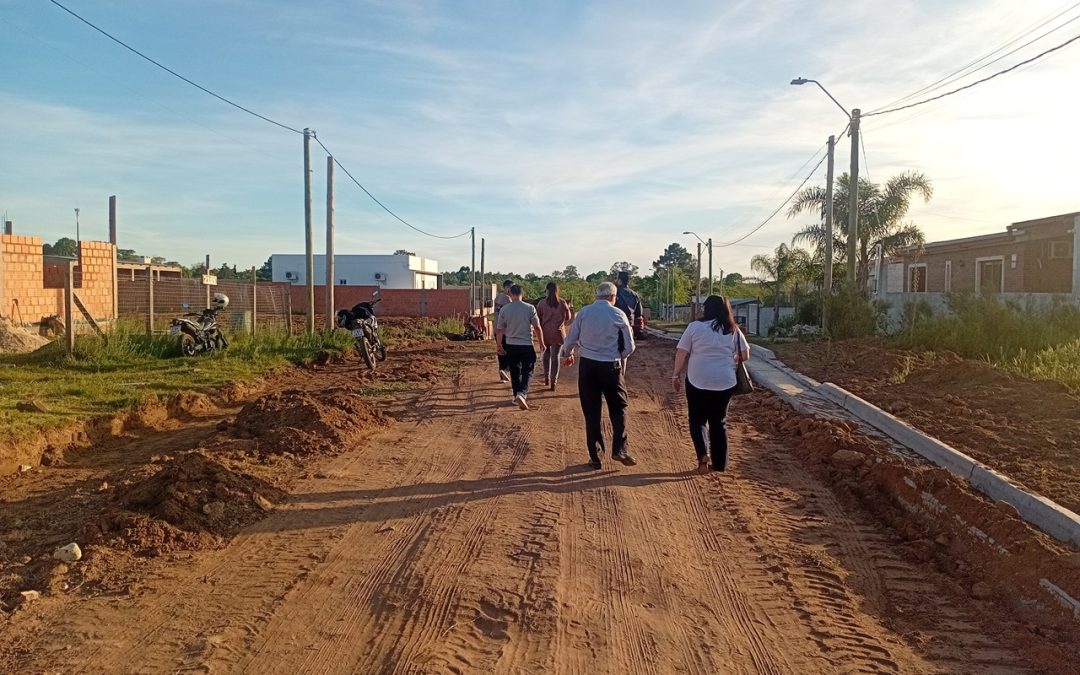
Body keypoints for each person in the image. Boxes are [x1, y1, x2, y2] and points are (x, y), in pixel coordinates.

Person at [561, 282, 636, 469]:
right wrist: (619, 356)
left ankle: (595, 456)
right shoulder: (619, 314)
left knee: (592, 412)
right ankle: (620, 449)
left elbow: (571, 339)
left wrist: (567, 353)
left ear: (596, 296)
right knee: (619, 408)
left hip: (587, 366)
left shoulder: (584, 313)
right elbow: (630, 346)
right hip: (611, 366)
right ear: (613, 297)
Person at [671, 295, 750, 474]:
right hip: (725, 381)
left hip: (697, 379)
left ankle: (702, 454)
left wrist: (675, 374)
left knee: (697, 419)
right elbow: (745, 355)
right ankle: (720, 464)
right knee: (719, 421)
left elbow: (682, 352)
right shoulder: (733, 330)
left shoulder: (695, 327)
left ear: (706, 309)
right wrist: (732, 357)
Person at [495, 284, 546, 410]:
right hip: (526, 345)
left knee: (514, 371)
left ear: (510, 294)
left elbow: (500, 330)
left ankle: (515, 396)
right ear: (522, 294)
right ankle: (522, 393)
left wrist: (499, 345)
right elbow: (537, 328)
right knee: (527, 370)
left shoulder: (505, 309)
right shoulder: (530, 308)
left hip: (511, 345)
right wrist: (542, 343)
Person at [535, 282, 573, 391]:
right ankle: (553, 381)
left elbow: (537, 317)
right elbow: (568, 318)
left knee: (546, 354)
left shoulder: (542, 303)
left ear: (547, 290)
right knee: (555, 356)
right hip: (558, 333)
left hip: (545, 332)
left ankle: (546, 376)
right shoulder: (562, 303)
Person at [613, 271, 644, 371]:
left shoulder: (614, 293)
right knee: (624, 356)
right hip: (627, 327)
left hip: (613, 327)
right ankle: (621, 378)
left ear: (619, 280)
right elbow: (639, 314)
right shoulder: (635, 295)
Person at [493, 279, 513, 382]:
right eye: (510, 287)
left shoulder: (497, 297)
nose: (511, 290)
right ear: (506, 288)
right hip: (505, 330)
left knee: (500, 351)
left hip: (496, 329)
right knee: (509, 351)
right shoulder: (508, 299)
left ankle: (502, 373)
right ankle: (505, 369)